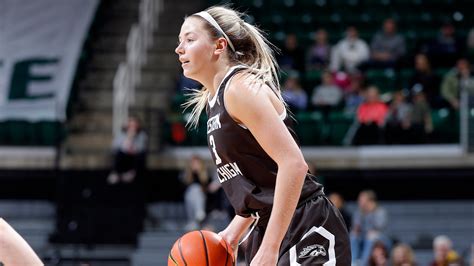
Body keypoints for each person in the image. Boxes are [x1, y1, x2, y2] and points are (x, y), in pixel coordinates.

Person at [175, 6, 351, 265]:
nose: (180, 49)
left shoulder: (240, 88)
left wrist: (270, 247)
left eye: (189, 40)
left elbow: (293, 164)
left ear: (219, 46)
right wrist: (231, 236)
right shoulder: (217, 100)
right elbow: (261, 184)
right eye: (179, 41)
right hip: (271, 227)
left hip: (305, 226)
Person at [350, 190, 389, 266]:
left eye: (361, 200)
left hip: (381, 238)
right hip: (363, 237)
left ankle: (363, 263)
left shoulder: (380, 211)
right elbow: (356, 227)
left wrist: (370, 213)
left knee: (371, 236)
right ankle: (353, 262)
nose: (359, 201)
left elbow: (380, 227)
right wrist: (356, 229)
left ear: (370, 200)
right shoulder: (359, 212)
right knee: (353, 235)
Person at [107, 116, 147, 185]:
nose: (132, 127)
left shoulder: (142, 135)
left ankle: (131, 172)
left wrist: (133, 143)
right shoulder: (121, 134)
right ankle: (116, 173)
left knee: (140, 155)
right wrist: (129, 138)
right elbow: (115, 146)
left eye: (134, 125)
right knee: (118, 153)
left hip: (134, 156)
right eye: (130, 125)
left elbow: (141, 148)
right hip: (123, 156)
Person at [180, 155, 211, 230]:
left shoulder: (205, 174)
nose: (195, 165)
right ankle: (199, 212)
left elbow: (206, 187)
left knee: (196, 190)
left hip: (202, 196)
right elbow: (185, 186)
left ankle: (198, 213)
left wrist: (199, 173)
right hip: (190, 197)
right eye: (193, 163)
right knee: (193, 190)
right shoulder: (187, 174)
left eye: (197, 163)